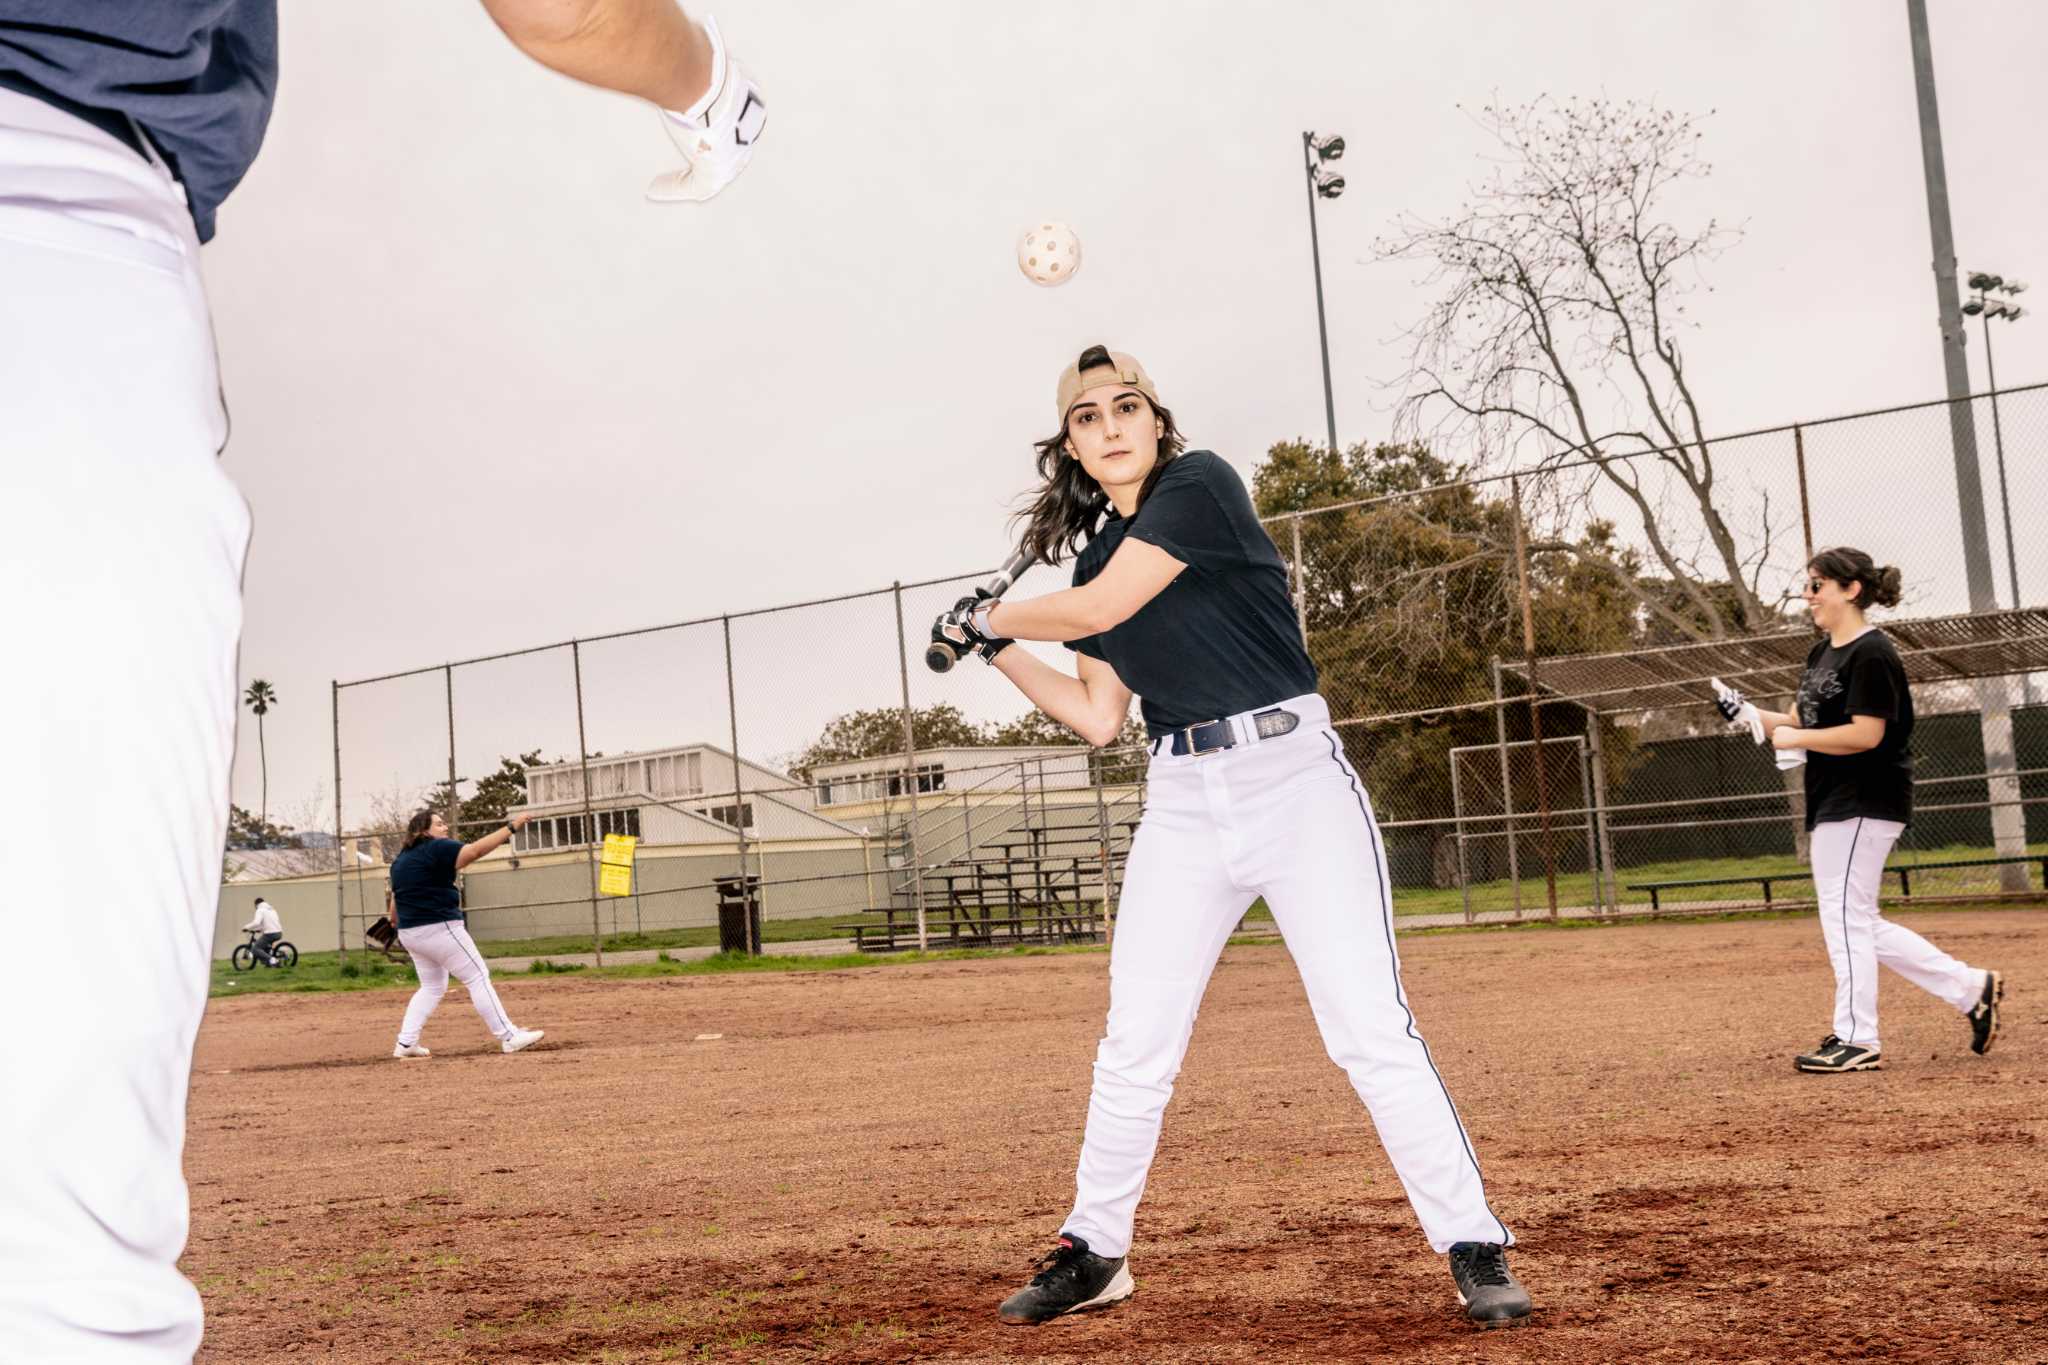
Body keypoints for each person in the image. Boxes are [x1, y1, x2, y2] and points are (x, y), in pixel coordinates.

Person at [0, 4, 758, 1358]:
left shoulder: (415, 858)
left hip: (63, 252)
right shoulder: (429, 854)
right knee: (54, 1241)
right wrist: (714, 91)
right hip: (52, 239)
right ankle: (480, 1037)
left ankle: (452, 1037)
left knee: (438, 982)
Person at [929, 345, 1532, 1330]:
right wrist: (1000, 651)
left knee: (1367, 1029)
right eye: (1087, 416)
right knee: (1134, 1041)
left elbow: (1102, 608)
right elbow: (1095, 718)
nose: (1111, 424)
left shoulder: (1200, 487)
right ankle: (1095, 1250)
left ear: (1157, 424)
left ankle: (1471, 1241)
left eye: (1127, 406)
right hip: (1182, 799)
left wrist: (989, 612)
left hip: (1293, 782)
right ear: (1073, 448)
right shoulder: (1088, 559)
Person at [1717, 548, 2003, 1073]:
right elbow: (1799, 719)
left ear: (1851, 590)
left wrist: (1796, 734)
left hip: (1865, 798)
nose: (1808, 595)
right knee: (1859, 920)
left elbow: (1865, 734)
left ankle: (1857, 1038)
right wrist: (1747, 713)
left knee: (1845, 918)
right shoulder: (1820, 654)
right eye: (1808, 584)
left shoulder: (1872, 653)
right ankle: (1970, 988)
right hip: (1835, 799)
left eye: (1817, 584)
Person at [384, 810, 545, 1059]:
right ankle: (509, 1036)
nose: (445, 827)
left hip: (410, 932)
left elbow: (394, 907)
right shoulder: (435, 848)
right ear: (423, 831)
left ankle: (405, 1044)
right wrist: (511, 828)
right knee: (477, 976)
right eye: (438, 824)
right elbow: (474, 852)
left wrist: (395, 921)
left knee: (432, 986)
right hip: (440, 927)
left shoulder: (400, 860)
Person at [241, 896, 284, 966]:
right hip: (279, 933)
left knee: (255, 949)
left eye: (254, 906)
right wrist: (259, 929)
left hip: (270, 934)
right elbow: (267, 922)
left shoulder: (260, 910)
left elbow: (256, 922)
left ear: (256, 904)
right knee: (264, 946)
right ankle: (268, 963)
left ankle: (274, 960)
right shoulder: (271, 909)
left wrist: (246, 927)